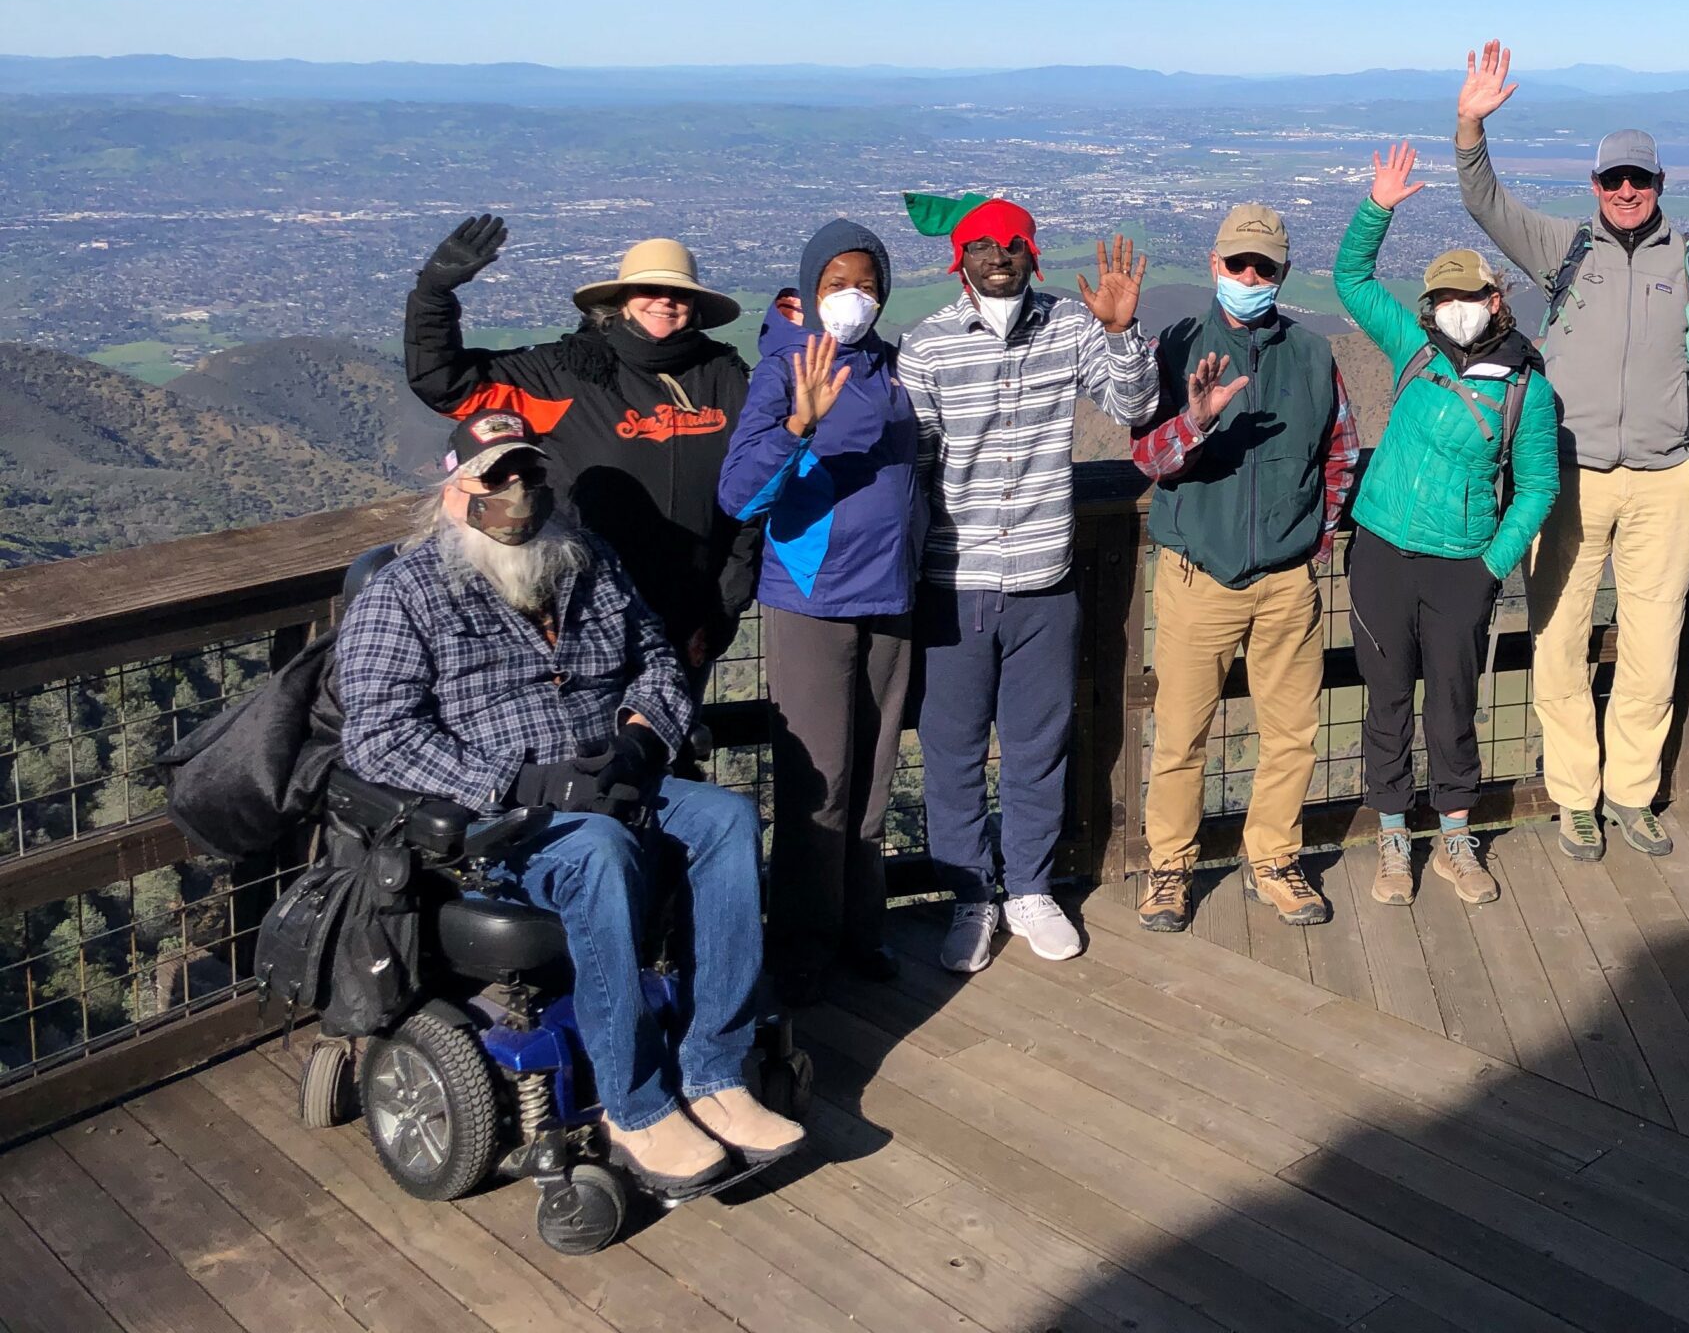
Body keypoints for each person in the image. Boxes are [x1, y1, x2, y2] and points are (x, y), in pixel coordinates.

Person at [336, 410, 801, 1199]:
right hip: (501, 820)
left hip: (617, 779)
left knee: (726, 819)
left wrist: (639, 740)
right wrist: (525, 784)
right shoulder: (404, 595)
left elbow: (655, 657)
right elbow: (377, 739)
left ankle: (715, 1070)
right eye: (497, 477)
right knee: (596, 851)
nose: (518, 492)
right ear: (455, 492)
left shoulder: (586, 562)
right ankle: (634, 1104)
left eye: (529, 474)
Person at [1453, 40, 1689, 864]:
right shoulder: (1563, 248)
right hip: (1568, 479)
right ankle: (1576, 797)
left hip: (1663, 486)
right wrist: (1470, 124)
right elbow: (1486, 203)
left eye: (1637, 180)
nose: (1624, 192)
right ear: (1595, 186)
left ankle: (1633, 794)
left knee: (1654, 648)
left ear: (1658, 187)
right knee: (1560, 637)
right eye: (1612, 179)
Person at [897, 194, 1157, 973]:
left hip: (1046, 575)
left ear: (1032, 254)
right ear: (960, 258)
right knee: (952, 750)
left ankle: (1031, 889)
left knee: (1039, 744)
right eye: (983, 245)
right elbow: (911, 464)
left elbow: (1134, 405)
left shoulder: (1071, 327)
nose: (1000, 255)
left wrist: (1120, 333)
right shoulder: (929, 347)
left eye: (1013, 244)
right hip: (956, 580)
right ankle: (971, 898)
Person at [1335, 142, 1561, 909]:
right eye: (1444, 296)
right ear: (1431, 305)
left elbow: (1538, 485)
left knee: (1454, 707)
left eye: (1472, 294)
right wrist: (1378, 207)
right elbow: (1351, 281)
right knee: (1388, 698)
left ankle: (1454, 840)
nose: (1457, 306)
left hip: (1460, 564)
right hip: (1382, 554)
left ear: (1497, 299)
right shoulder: (1414, 350)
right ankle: (1395, 839)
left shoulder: (1528, 388)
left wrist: (1490, 564)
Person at [1131, 204, 1359, 933]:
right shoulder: (1177, 345)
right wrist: (1194, 420)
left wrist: (1312, 545)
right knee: (1180, 735)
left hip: (1286, 581)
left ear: (1283, 274)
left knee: (1292, 732)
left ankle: (1274, 859)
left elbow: (1339, 454)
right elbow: (1148, 458)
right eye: (1240, 265)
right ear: (1215, 265)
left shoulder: (1314, 355)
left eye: (1266, 267)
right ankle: (1170, 868)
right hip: (1199, 576)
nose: (1252, 278)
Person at [406, 219, 757, 682]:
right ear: (620, 300)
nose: (665, 301)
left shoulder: (724, 377)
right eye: (648, 289)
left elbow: (750, 495)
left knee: (671, 744)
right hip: (584, 613)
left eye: (679, 293)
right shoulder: (567, 371)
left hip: (688, 618)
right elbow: (444, 384)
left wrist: (724, 607)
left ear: (694, 305)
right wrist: (434, 295)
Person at [717, 219, 921, 1004]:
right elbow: (738, 494)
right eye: (837, 282)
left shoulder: (892, 367)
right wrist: (799, 424)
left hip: (891, 595)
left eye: (867, 283)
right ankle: (803, 942)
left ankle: (860, 929)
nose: (854, 296)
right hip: (813, 599)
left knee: (871, 777)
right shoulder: (779, 372)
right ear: (808, 288)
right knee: (820, 782)